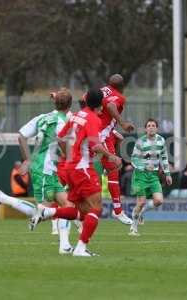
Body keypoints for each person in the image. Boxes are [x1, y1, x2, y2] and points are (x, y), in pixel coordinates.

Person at [0, 89, 77, 254]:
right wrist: (70, 157)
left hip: (43, 167)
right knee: (42, 211)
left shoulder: (42, 117)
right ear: (70, 104)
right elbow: (64, 141)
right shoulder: (63, 121)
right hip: (45, 168)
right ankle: (2, 197)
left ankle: (64, 246)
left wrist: (28, 159)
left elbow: (21, 136)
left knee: (67, 206)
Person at [34, 89, 123, 257]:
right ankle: (81, 248)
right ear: (101, 104)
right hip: (83, 168)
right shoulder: (93, 119)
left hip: (70, 167)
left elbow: (60, 137)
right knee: (96, 209)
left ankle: (47, 212)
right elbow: (96, 145)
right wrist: (113, 157)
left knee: (80, 211)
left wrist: (70, 155)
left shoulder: (77, 115)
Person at [98, 74, 134, 225]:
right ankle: (118, 211)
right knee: (114, 168)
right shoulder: (119, 97)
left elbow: (84, 98)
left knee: (119, 138)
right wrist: (123, 122)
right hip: (101, 134)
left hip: (100, 130)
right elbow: (111, 106)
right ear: (122, 86)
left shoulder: (101, 90)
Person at [128, 118, 172, 236]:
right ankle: (134, 228)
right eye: (149, 125)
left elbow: (164, 157)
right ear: (146, 128)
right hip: (140, 175)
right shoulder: (140, 142)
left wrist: (167, 174)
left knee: (159, 201)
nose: (151, 127)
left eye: (153, 125)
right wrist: (144, 166)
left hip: (153, 175)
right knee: (141, 202)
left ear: (157, 128)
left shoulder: (161, 140)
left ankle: (142, 212)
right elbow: (133, 159)